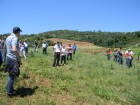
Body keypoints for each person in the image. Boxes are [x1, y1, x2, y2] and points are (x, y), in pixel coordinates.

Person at [5, 27, 22, 97]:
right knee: (12, 75)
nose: (19, 33)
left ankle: (10, 89)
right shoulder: (15, 38)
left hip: (8, 57)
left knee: (11, 74)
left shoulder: (8, 37)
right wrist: (19, 58)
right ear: (17, 31)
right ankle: (9, 92)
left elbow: (4, 48)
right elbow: (14, 49)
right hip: (13, 58)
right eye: (19, 32)